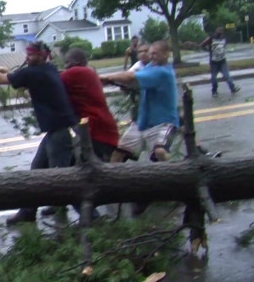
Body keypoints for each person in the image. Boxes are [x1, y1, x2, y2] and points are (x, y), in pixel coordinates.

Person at [0, 41, 78, 225]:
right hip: (55, 132)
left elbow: (3, 80)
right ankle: (29, 212)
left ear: (42, 55)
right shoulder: (49, 69)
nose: (27, 57)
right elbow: (14, 77)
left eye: (31, 55)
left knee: (63, 179)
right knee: (36, 171)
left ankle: (83, 219)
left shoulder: (33, 72)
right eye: (27, 54)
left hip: (59, 133)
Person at [100, 41, 180, 215]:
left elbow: (132, 78)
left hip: (164, 123)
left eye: (155, 53)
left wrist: (105, 77)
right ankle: (111, 187)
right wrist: (113, 82)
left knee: (159, 152)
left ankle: (178, 181)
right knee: (118, 153)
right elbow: (132, 81)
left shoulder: (163, 72)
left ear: (166, 54)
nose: (150, 56)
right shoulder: (150, 67)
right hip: (142, 123)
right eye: (149, 53)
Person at [61, 48, 119, 161]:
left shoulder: (76, 72)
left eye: (68, 62)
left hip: (98, 132)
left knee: (93, 172)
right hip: (104, 130)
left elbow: (54, 81)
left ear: (77, 62)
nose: (65, 66)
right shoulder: (89, 72)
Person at [199, 26, 240, 98]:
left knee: (227, 76)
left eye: (221, 32)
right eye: (218, 32)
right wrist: (208, 51)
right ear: (216, 32)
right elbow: (202, 45)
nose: (219, 34)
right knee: (214, 78)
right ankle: (214, 91)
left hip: (222, 61)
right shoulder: (211, 39)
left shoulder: (224, 39)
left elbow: (223, 47)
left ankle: (232, 88)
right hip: (214, 62)